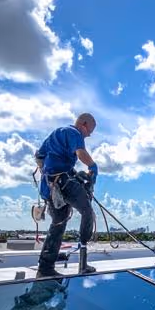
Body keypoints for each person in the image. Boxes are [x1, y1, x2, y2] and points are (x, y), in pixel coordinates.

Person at [35, 113, 98, 277]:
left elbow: (39, 156)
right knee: (87, 212)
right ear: (83, 124)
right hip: (61, 182)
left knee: (59, 222)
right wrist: (93, 166)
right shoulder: (74, 133)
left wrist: (69, 173)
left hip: (50, 186)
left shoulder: (56, 134)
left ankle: (45, 268)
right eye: (89, 131)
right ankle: (83, 263)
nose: (88, 135)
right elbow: (81, 153)